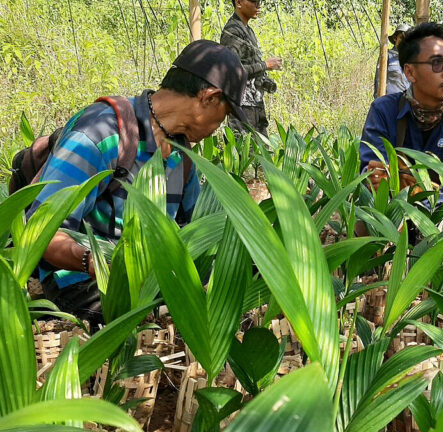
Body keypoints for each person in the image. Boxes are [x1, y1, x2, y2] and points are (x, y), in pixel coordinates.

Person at [28, 40, 248, 326]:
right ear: (209, 97)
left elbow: (199, 227)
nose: (220, 127)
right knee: (159, 320)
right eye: (225, 115)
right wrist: (95, 263)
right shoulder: (100, 134)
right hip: (80, 281)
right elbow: (41, 232)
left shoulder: (183, 157)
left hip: (149, 281)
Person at [360, 22, 443, 198]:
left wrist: (409, 185)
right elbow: (373, 178)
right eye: (437, 63)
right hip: (392, 219)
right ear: (410, 72)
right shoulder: (383, 111)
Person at [221, 0, 282, 135]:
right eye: (254, 1)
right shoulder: (232, 32)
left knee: (262, 151)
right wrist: (265, 65)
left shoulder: (247, 30)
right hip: (241, 107)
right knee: (246, 152)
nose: (258, 4)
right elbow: (233, 72)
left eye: (260, 1)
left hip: (255, 105)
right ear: (239, 2)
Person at [373, 23, 411, 98]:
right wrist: (379, 101)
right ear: (395, 38)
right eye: (401, 38)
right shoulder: (386, 55)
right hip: (389, 102)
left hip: (406, 103)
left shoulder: (411, 59)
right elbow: (378, 80)